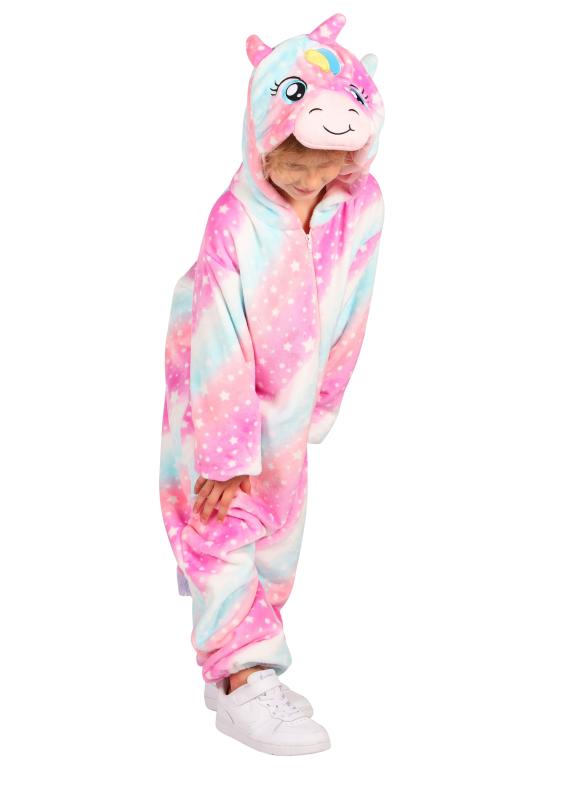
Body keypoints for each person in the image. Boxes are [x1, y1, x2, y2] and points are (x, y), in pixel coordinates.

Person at [159, 12, 385, 756]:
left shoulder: (361, 208)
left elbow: (354, 309)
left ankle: (242, 667)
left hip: (291, 404)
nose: (309, 177)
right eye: (293, 159)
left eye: (327, 161)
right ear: (264, 138)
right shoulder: (235, 220)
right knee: (222, 522)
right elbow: (217, 336)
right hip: (217, 404)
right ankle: (242, 673)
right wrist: (224, 454)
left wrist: (323, 402)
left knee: (279, 536)